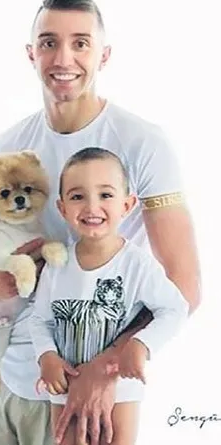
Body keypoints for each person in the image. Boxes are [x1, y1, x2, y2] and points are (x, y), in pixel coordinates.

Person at [0, 0, 201, 445]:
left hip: (79, 388)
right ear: (31, 53)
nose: (64, 58)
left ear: (104, 54)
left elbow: (183, 289)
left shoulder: (143, 143)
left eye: (80, 43)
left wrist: (106, 370)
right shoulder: (4, 148)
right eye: (49, 42)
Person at [29, 147, 189, 445]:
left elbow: (174, 308)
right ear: (62, 208)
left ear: (127, 205)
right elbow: (40, 319)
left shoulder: (137, 264)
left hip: (120, 389)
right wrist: (46, 355)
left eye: (105, 195)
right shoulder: (57, 264)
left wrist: (141, 344)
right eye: (78, 196)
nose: (92, 206)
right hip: (64, 387)